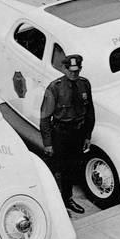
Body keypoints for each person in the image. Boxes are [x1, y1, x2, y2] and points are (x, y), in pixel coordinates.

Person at [40, 54, 94, 214]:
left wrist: (87, 135)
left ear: (81, 69)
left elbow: (90, 111)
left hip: (78, 133)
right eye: (71, 71)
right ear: (64, 69)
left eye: (77, 71)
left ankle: (67, 199)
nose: (74, 74)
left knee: (73, 167)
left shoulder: (84, 84)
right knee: (58, 169)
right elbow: (45, 118)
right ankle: (56, 204)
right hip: (60, 134)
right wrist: (48, 143)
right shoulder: (55, 88)